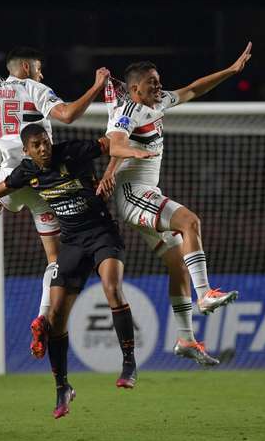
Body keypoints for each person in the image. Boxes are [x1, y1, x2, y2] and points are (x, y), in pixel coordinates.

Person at [0, 123, 155, 419]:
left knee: (112, 287)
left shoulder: (72, 151)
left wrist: (130, 155)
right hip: (72, 243)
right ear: (27, 151)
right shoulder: (26, 172)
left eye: (45, 141)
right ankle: (62, 387)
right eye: (36, 145)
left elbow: (110, 142)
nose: (44, 147)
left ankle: (129, 363)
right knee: (56, 317)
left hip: (102, 234)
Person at [0, 9, 107, 359]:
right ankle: (43, 317)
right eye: (40, 68)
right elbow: (69, 115)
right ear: (28, 68)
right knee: (55, 259)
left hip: (10, 180)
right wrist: (97, 87)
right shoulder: (36, 89)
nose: (43, 73)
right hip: (42, 181)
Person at [100, 43, 252, 365]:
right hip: (133, 195)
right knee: (190, 222)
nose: (159, 86)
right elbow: (115, 142)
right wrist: (132, 154)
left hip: (144, 193)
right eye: (152, 82)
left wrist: (231, 70)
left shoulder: (157, 101)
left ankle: (185, 339)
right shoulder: (127, 112)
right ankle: (205, 294)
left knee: (178, 264)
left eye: (159, 80)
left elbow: (194, 89)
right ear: (135, 88)